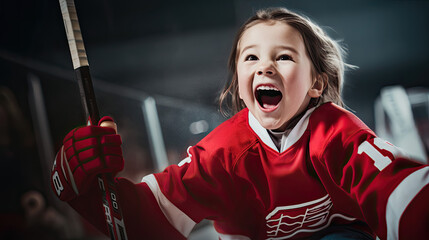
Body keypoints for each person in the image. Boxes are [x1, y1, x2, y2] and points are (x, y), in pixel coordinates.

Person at [50, 7, 429, 240]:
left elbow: (400, 189)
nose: (264, 66)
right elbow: (147, 219)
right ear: (240, 87)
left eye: (283, 57)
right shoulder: (220, 153)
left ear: (317, 83)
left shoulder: (336, 130)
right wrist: (81, 184)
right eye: (250, 58)